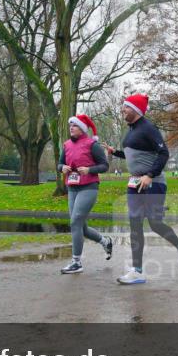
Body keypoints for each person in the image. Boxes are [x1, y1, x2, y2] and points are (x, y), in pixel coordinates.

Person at [104, 94, 178, 285]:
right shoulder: (131, 131)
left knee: (155, 223)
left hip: (154, 182)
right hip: (135, 183)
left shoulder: (148, 128)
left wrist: (150, 175)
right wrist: (115, 152)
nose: (122, 110)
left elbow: (163, 153)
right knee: (135, 224)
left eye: (125, 107)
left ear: (136, 110)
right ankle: (138, 271)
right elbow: (134, 155)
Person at [58, 114, 114, 274]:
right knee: (81, 227)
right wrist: (62, 167)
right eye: (70, 126)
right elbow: (60, 163)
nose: (71, 128)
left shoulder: (92, 145)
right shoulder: (66, 145)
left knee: (75, 221)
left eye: (74, 126)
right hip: (72, 187)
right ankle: (105, 241)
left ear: (82, 128)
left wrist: (90, 170)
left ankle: (76, 262)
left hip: (89, 187)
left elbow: (104, 166)